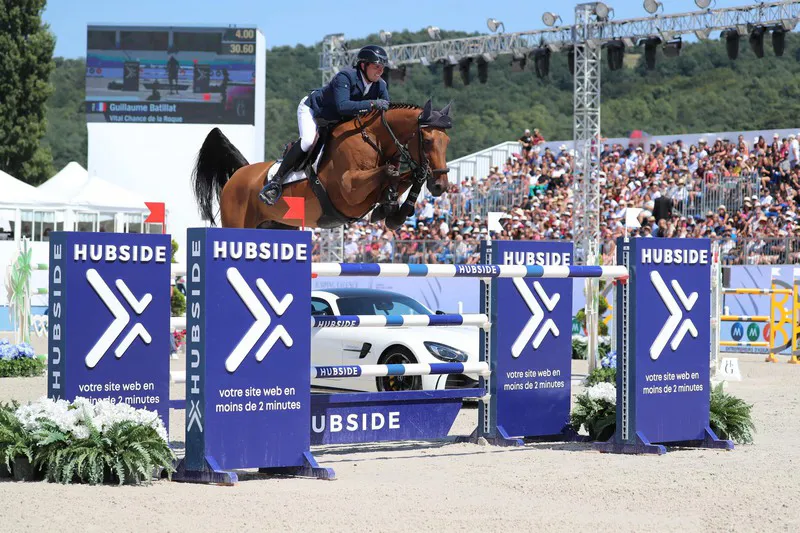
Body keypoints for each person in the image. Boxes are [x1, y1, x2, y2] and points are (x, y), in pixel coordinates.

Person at [259, 45, 391, 206]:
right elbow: (343, 106)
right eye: (376, 66)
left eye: (382, 68)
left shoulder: (381, 85)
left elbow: (385, 110)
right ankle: (275, 182)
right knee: (308, 141)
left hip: (337, 120)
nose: (380, 71)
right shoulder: (345, 77)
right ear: (363, 65)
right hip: (314, 111)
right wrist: (372, 104)